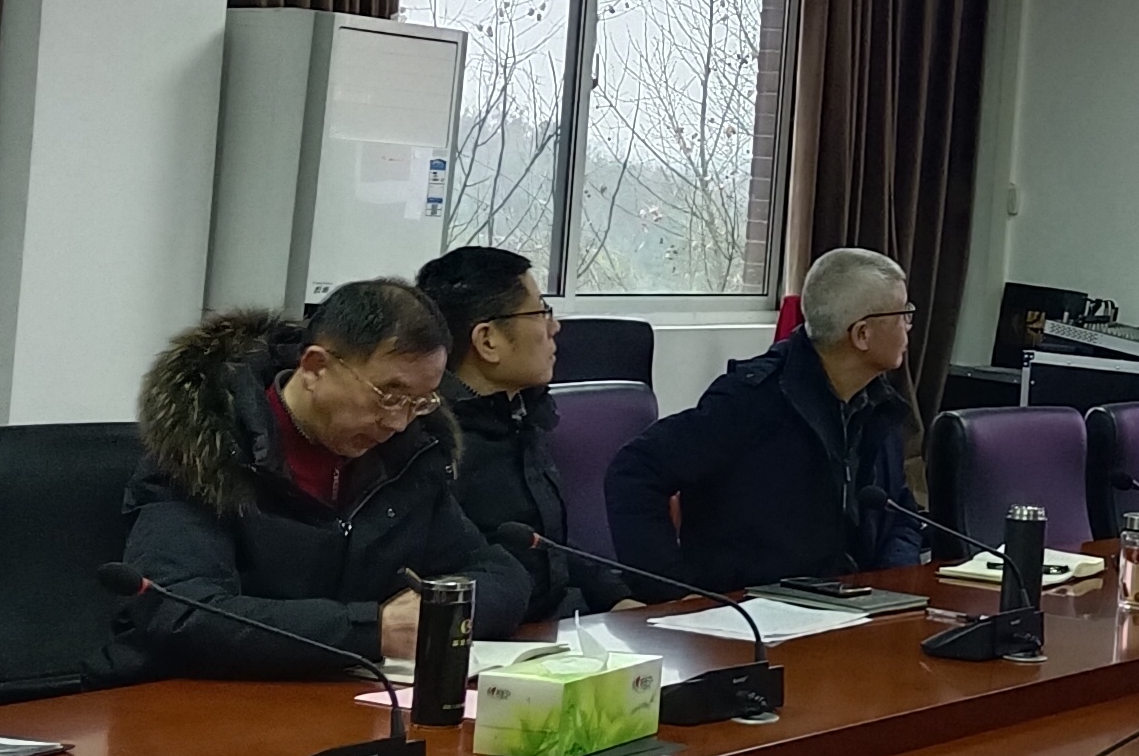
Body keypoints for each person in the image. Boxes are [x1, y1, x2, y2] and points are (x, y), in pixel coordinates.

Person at [118, 278, 528, 676]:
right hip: (196, 699)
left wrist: (437, 611)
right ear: (316, 367)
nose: (399, 422)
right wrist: (371, 629)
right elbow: (179, 611)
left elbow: (499, 573)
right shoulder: (205, 452)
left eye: (419, 403)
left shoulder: (406, 459)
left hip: (346, 694)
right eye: (389, 396)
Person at [603, 246, 928, 595]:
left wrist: (893, 582)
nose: (909, 326)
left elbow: (900, 513)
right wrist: (670, 592)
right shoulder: (751, 401)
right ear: (862, 334)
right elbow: (634, 471)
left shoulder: (878, 404)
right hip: (757, 611)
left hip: (859, 606)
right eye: (903, 314)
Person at [415, 243, 622, 616]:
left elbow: (549, 548)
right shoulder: (433, 443)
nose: (554, 327)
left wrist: (617, 598)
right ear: (488, 341)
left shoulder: (521, 416)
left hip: (559, 623)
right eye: (540, 312)